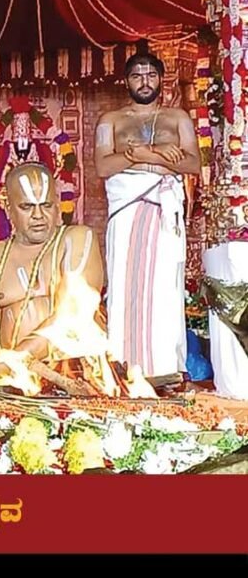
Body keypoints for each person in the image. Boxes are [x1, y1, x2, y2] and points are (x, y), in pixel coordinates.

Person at [95, 52, 200, 381]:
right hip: (126, 211)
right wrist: (145, 154)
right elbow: (102, 166)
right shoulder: (110, 121)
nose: (144, 81)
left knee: (164, 289)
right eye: (137, 76)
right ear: (127, 81)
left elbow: (193, 164)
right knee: (125, 285)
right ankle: (124, 366)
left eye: (151, 75)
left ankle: (166, 368)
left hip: (163, 211)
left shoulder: (177, 118)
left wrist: (141, 154)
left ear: (160, 79)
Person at [0, 163, 109, 393]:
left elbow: (74, 317)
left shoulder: (77, 239)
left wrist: (9, 361)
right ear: (8, 208)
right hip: (9, 385)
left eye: (46, 205)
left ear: (58, 205)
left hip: (74, 377)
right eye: (27, 207)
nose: (38, 216)